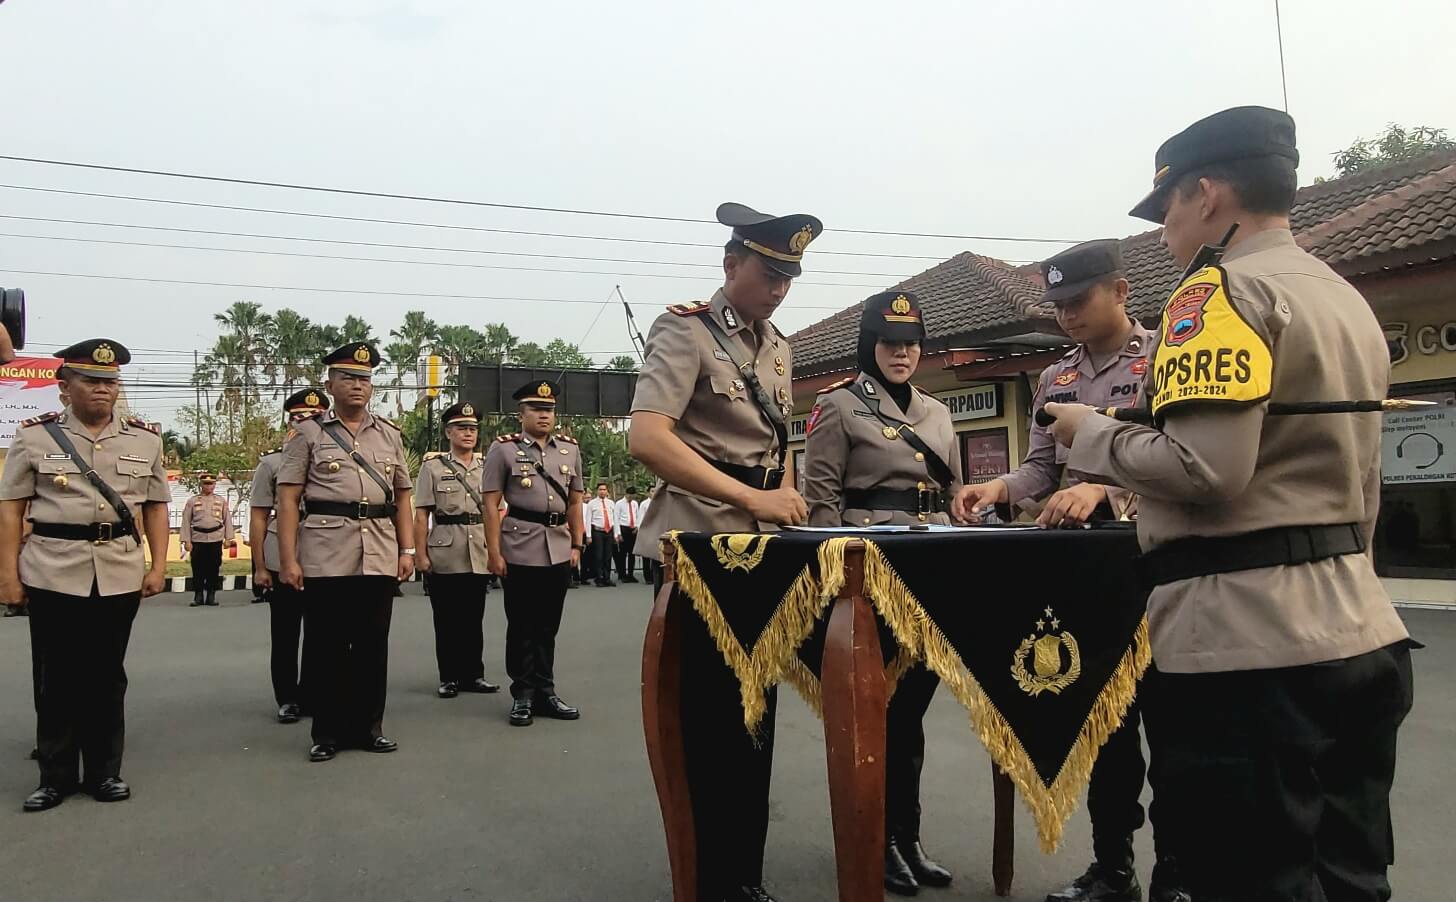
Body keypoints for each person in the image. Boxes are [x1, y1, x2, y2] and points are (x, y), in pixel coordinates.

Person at [1048, 106, 1413, 902]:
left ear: (1207, 193)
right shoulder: (1342, 295)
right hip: (1358, 627)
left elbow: (1206, 468)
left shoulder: (1213, 295)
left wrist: (1090, 434)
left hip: (1245, 648)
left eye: (1168, 208)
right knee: (1351, 875)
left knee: (1244, 878)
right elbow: (1364, 482)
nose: (1166, 230)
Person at [952, 241, 1179, 902]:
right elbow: (1042, 471)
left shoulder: (1167, 356)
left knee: (1173, 730)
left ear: (1120, 290)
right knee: (1103, 728)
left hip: (1158, 560)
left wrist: (1106, 491)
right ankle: (1114, 867)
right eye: (1057, 306)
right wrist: (996, 491)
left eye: (1078, 301)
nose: (1067, 316)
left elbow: (1182, 455)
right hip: (1084, 573)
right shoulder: (1055, 379)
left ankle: (1178, 873)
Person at [629, 202, 821, 902]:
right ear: (731, 264)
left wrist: (787, 506)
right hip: (701, 548)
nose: (778, 288)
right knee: (708, 726)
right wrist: (753, 501)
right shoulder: (683, 331)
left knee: (754, 722)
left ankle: (744, 876)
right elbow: (648, 438)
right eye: (769, 273)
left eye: (789, 278)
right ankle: (710, 880)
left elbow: (777, 449)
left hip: (764, 549)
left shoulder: (778, 346)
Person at [801, 290, 962, 896]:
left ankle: (909, 836)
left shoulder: (938, 413)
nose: (902, 353)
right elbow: (820, 505)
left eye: (912, 342)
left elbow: (953, 495)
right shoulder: (837, 407)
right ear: (869, 345)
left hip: (927, 567)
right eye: (891, 342)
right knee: (876, 713)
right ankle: (879, 839)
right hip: (867, 570)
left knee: (912, 710)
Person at [0, 339, 169, 811]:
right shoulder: (34, 437)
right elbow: (10, 510)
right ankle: (54, 777)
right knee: (57, 677)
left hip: (117, 569)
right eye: (91, 381)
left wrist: (158, 566)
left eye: (110, 382)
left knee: (107, 675)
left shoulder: (145, 439)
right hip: (52, 568)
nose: (102, 390)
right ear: (64, 387)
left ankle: (103, 772)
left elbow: (156, 507)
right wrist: (8, 576)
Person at [276, 342, 414, 763]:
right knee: (327, 645)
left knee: (373, 644)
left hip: (378, 548)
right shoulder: (308, 433)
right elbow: (287, 498)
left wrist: (407, 549)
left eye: (365, 379)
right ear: (329, 383)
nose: (358, 385)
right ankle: (328, 732)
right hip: (325, 549)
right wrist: (288, 559)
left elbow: (403, 495)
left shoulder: (389, 434)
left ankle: (369, 727)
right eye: (348, 378)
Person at [482, 380, 586, 727]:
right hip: (519, 545)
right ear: (521, 414)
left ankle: (546, 691)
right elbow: (490, 503)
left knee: (548, 625)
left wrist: (576, 543)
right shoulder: (504, 450)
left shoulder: (569, 450)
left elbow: (574, 501)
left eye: (549, 410)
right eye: (536, 410)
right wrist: (494, 552)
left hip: (557, 545)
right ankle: (523, 694)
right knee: (522, 624)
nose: (544, 415)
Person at [250, 387, 329, 725]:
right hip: (280, 557)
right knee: (285, 633)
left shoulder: (332, 461)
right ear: (289, 422)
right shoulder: (272, 463)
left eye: (315, 417)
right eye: (300, 418)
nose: (307, 423)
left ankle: (312, 693)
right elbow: (258, 516)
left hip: (324, 554)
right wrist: (258, 567)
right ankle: (287, 698)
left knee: (320, 632)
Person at [414, 401, 500, 700]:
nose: (468, 433)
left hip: (478, 548)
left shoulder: (487, 466)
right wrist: (420, 554)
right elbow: (421, 513)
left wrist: (495, 550)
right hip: (445, 549)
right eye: (462, 428)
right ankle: (449, 676)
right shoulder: (433, 467)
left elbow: (496, 511)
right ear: (449, 432)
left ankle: (473, 674)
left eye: (473, 429)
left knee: (473, 617)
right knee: (447, 618)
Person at [181, 473, 235, 607]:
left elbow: (227, 519)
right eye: (206, 483)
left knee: (214, 568)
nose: (209, 486)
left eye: (211, 483)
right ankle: (198, 596)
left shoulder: (221, 501)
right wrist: (186, 540)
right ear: (201, 484)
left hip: (215, 539)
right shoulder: (192, 501)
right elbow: (186, 521)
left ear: (215, 484)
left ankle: (211, 595)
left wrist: (228, 538)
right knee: (198, 569)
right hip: (198, 539)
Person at [586, 481, 618, 587]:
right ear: (597, 491)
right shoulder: (592, 504)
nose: (602, 491)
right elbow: (588, 520)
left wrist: (616, 534)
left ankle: (607, 578)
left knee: (608, 556)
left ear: (607, 491)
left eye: (604, 489)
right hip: (597, 531)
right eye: (600, 489)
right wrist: (589, 536)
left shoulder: (611, 503)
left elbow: (615, 519)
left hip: (609, 532)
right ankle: (598, 578)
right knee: (598, 556)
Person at [613, 486, 642, 583]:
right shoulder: (619, 504)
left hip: (632, 529)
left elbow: (637, 515)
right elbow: (616, 518)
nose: (631, 497)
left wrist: (637, 526)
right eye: (629, 495)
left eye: (632, 496)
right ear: (626, 494)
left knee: (632, 554)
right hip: (623, 528)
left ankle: (631, 574)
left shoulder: (634, 504)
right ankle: (622, 574)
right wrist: (618, 533)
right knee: (622, 553)